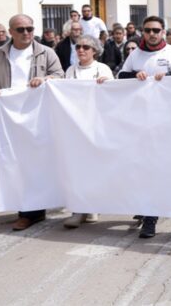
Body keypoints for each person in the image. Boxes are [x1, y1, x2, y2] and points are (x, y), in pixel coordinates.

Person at [0, 14, 64, 230]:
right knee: (14, 162)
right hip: (9, 116)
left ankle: (32, 211)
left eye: (30, 28)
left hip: (38, 115)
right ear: (11, 32)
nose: (26, 33)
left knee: (36, 162)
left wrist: (46, 79)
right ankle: (26, 208)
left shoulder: (46, 52)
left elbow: (60, 75)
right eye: (21, 29)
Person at [118, 16, 171, 238]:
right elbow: (121, 76)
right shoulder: (135, 55)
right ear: (142, 32)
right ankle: (146, 211)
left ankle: (151, 217)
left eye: (156, 30)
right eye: (148, 30)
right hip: (140, 120)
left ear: (163, 31)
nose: (152, 34)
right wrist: (136, 75)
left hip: (167, 121)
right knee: (141, 168)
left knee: (159, 168)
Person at [63, 35, 113, 228]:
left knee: (95, 166)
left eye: (86, 47)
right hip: (76, 125)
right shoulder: (71, 70)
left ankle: (93, 206)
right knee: (77, 167)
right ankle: (78, 209)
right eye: (78, 47)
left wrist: (106, 83)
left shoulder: (103, 69)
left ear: (94, 51)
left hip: (97, 124)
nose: (81, 50)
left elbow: (113, 95)